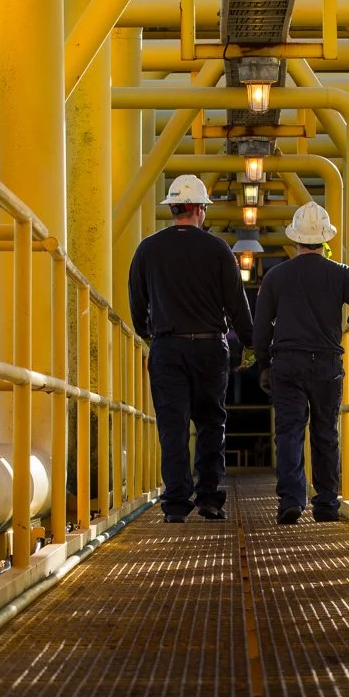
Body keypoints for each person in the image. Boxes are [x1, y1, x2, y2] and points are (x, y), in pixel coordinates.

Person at [128, 174, 255, 523]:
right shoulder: (217, 250)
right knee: (212, 422)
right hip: (210, 349)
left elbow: (137, 302)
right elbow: (236, 303)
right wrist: (249, 342)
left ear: (172, 208)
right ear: (199, 209)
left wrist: (147, 334)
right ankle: (210, 498)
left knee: (173, 426)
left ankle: (175, 505)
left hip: (167, 348)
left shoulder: (148, 249)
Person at [253, 202, 349, 525]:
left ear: (295, 240)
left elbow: (262, 326)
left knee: (290, 432)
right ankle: (325, 504)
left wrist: (264, 364)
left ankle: (292, 500)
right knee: (326, 433)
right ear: (324, 241)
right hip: (326, 363)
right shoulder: (341, 274)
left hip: (287, 362)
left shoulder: (276, 277)